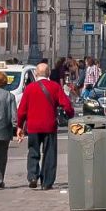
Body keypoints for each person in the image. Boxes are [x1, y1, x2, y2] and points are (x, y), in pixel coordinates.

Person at [16, 61, 74, 190]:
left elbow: (22, 110)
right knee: (49, 153)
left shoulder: (30, 88)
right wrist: (70, 115)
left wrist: (20, 126)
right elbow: (67, 105)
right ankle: (47, 182)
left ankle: (32, 176)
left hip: (33, 126)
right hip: (49, 125)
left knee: (33, 151)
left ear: (36, 74)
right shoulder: (54, 87)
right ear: (48, 73)